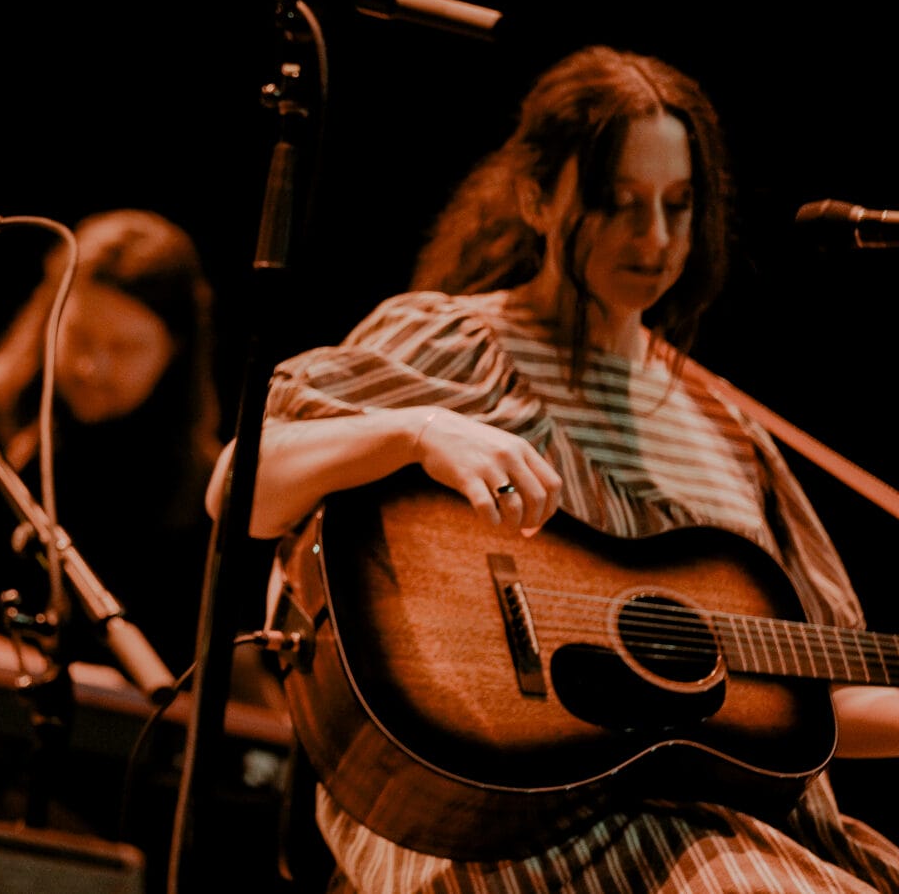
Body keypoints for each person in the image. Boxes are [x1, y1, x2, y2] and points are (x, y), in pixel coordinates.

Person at [209, 46, 899, 891]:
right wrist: (416, 430)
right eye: (617, 205)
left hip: (717, 819)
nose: (653, 239)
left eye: (678, 207)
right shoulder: (456, 341)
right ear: (538, 197)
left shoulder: (730, 428)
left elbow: (809, 692)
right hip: (494, 817)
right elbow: (238, 486)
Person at [0, 208, 279, 710]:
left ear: (176, 349)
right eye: (80, 337)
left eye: (125, 348)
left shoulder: (205, 483)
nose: (93, 367)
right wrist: (75, 686)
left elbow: (237, 668)